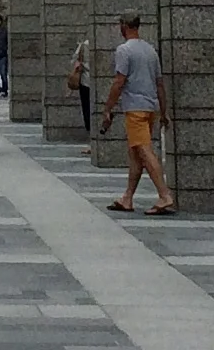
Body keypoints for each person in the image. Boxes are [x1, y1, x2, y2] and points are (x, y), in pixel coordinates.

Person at [98, 13, 175, 215]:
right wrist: (164, 111)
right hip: (151, 108)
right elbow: (160, 83)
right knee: (135, 155)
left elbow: (119, 81)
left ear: (124, 26)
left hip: (135, 108)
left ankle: (164, 195)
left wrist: (108, 108)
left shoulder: (124, 50)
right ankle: (127, 198)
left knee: (144, 151)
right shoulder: (150, 50)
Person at [66, 35, 92, 143]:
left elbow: (74, 60)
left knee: (87, 110)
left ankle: (90, 137)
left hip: (86, 81)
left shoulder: (84, 45)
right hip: (93, 82)